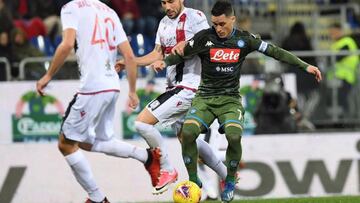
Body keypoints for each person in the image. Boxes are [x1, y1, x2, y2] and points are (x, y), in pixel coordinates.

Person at [150, 0, 322, 202]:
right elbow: (181, 54)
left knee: (233, 136)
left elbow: (275, 52)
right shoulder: (204, 38)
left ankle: (229, 180)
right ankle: (194, 182)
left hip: (230, 100)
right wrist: (164, 61)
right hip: (205, 97)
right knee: (187, 133)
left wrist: (305, 66)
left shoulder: (244, 40)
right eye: (214, 24)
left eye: (222, 24)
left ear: (232, 19)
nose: (218, 29)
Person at [36, 1, 161, 202]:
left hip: (93, 87)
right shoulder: (109, 11)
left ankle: (97, 198)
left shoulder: (71, 7)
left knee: (66, 144)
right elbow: (129, 55)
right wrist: (131, 90)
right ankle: (147, 157)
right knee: (90, 142)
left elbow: (67, 44)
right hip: (112, 85)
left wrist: (47, 76)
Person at [116, 0, 231, 195]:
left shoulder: (195, 17)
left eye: (171, 1)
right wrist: (132, 62)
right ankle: (227, 175)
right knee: (187, 140)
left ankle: (168, 169)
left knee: (142, 124)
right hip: (175, 86)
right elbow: (156, 54)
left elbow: (209, 43)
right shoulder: (163, 23)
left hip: (189, 87)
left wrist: (188, 45)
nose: (167, 6)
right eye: (163, 2)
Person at [328, 23, 360, 118]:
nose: (331, 34)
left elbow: (337, 58)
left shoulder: (347, 41)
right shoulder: (336, 43)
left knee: (343, 99)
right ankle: (341, 119)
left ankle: (346, 120)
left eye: (334, 32)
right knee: (338, 99)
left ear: (340, 31)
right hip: (336, 76)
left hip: (345, 76)